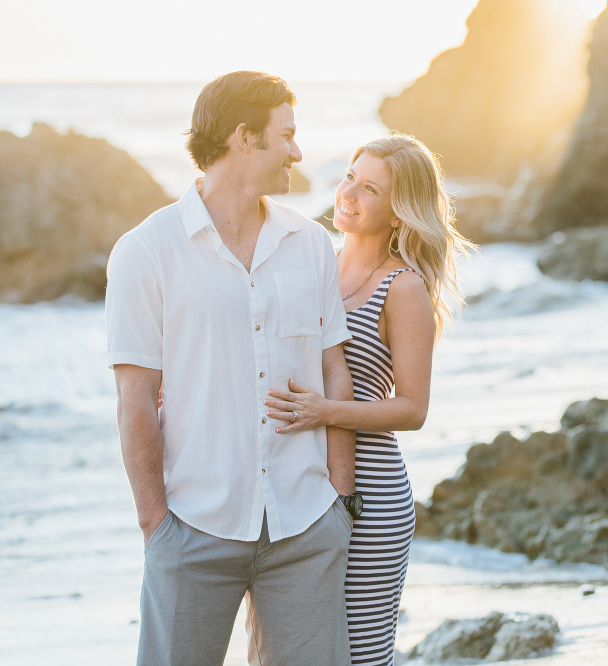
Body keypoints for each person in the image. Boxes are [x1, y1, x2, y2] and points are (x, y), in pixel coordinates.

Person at [105, 71, 356, 666]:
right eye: (287, 135)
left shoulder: (311, 244)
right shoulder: (146, 251)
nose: (299, 151)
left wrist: (340, 504)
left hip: (305, 526)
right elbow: (134, 398)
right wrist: (156, 525)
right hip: (192, 529)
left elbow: (334, 371)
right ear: (245, 138)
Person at [263, 134, 473, 665]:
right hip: (301, 490)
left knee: (361, 655)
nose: (348, 194)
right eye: (349, 177)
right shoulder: (315, 262)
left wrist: (323, 411)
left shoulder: (402, 289)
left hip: (373, 501)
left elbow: (413, 409)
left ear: (399, 213)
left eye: (370, 189)